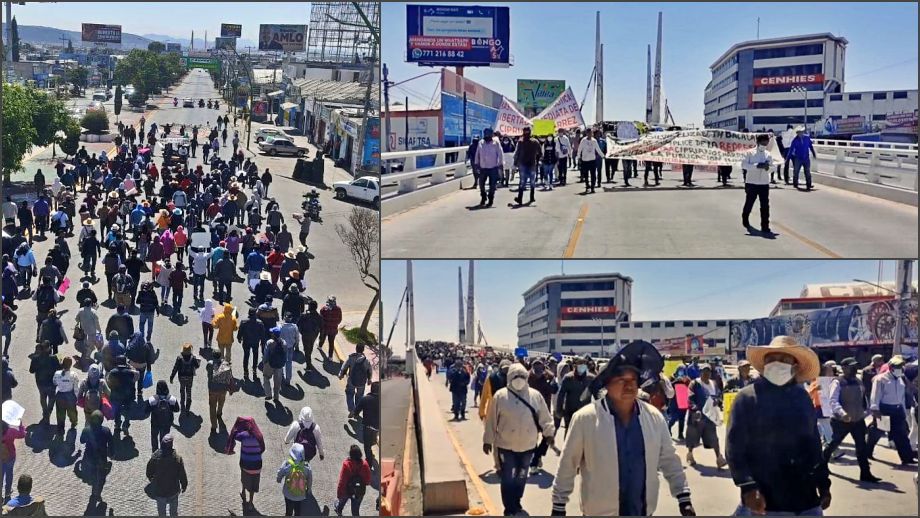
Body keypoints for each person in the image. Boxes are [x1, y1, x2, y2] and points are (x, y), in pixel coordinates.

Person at [551, 341, 695, 517]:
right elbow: (568, 463)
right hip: (600, 513)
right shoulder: (585, 419)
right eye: (621, 380)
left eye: (633, 380)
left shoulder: (653, 417)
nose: (629, 385)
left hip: (642, 511)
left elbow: (669, 458)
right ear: (607, 384)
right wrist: (558, 504)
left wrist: (683, 497)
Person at [726, 336, 831, 516]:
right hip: (765, 502)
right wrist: (748, 486)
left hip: (806, 499)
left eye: (783, 359)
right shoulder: (747, 397)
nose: (776, 363)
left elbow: (813, 444)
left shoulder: (802, 398)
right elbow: (734, 447)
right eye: (771, 359)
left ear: (795, 366)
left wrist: (823, 483)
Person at [483, 363, 555, 516]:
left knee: (522, 476)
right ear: (509, 377)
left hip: (528, 446)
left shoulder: (535, 396)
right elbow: (491, 420)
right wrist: (487, 440)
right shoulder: (500, 396)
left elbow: (545, 417)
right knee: (508, 477)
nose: (519, 379)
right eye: (515, 376)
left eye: (522, 376)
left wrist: (549, 434)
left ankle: (517, 501)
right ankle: (509, 507)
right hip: (506, 446)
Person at [822, 357, 881, 482]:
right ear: (843, 368)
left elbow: (863, 399)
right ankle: (821, 466)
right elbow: (833, 401)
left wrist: (867, 412)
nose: (854, 369)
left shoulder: (858, 381)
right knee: (833, 444)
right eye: (851, 367)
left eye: (855, 366)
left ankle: (865, 474)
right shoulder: (837, 382)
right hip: (841, 421)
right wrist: (842, 414)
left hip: (858, 420)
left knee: (861, 447)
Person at [869, 355, 917, 465]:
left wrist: (903, 411)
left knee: (902, 435)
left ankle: (907, 458)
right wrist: (875, 409)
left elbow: (902, 397)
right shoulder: (881, 379)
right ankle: (868, 451)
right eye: (898, 366)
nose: (900, 368)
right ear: (891, 367)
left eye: (901, 366)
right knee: (878, 432)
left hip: (898, 409)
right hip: (885, 409)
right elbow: (875, 395)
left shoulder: (901, 379)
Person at [685, 364, 727, 469]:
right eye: (704, 371)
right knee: (693, 438)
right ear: (700, 372)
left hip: (710, 416)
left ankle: (719, 458)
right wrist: (695, 409)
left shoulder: (714, 384)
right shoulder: (695, 383)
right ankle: (690, 454)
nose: (707, 373)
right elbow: (689, 398)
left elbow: (719, 395)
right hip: (697, 416)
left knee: (713, 438)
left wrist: (718, 401)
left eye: (708, 371)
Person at [226, 416, 266, 512]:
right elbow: (263, 448)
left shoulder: (243, 435)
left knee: (244, 478)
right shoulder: (259, 436)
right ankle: (251, 502)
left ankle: (243, 492)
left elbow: (234, 434)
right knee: (253, 484)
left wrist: (237, 426)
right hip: (257, 466)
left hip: (245, 464)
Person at [146, 434, 188, 516]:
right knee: (173, 513)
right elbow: (182, 474)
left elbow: (149, 472)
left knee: (161, 513)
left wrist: (153, 480)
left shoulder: (155, 457)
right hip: (173, 490)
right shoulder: (177, 459)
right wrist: (184, 485)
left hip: (160, 491)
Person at [741, 133, 775, 234]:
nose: (764, 144)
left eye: (766, 143)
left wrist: (767, 167)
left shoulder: (768, 154)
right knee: (749, 203)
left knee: (765, 205)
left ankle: (765, 225)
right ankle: (745, 217)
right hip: (751, 183)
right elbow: (744, 165)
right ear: (758, 142)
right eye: (763, 142)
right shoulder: (749, 153)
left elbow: (773, 167)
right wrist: (756, 166)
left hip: (764, 183)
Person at [79, 410, 113, 505]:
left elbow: (82, 441)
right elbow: (111, 444)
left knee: (92, 474)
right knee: (101, 477)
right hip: (101, 458)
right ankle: (97, 492)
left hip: (89, 457)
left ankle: (93, 487)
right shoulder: (106, 430)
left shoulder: (87, 430)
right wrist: (112, 454)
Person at [556, 356, 595, 436]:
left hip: (586, 412)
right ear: (575, 366)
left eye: (584, 364)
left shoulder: (591, 378)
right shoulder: (568, 378)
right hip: (571, 412)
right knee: (569, 435)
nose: (582, 366)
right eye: (580, 364)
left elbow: (597, 394)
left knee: (585, 435)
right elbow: (561, 395)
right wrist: (559, 410)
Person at [333, 445, 371, 517]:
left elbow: (342, 481)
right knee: (355, 511)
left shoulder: (347, 464)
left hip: (346, 490)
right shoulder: (365, 464)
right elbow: (368, 481)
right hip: (359, 492)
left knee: (341, 503)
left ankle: (339, 511)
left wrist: (339, 494)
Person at [276, 443, 312, 516]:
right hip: (300, 494)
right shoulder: (306, 466)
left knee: (288, 511)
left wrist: (279, 479)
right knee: (298, 510)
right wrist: (308, 490)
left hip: (288, 492)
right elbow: (310, 480)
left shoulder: (287, 464)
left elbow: (280, 473)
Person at [28, 341, 60, 423]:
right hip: (51, 383)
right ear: (48, 348)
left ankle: (45, 412)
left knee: (43, 397)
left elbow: (31, 371)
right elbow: (59, 369)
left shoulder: (35, 358)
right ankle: (48, 412)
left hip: (40, 382)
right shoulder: (53, 358)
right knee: (52, 398)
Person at [106, 356, 138, 436]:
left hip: (116, 395)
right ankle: (126, 425)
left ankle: (117, 425)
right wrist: (130, 367)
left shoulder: (113, 372)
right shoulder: (131, 372)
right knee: (128, 411)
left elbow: (108, 382)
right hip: (128, 395)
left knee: (117, 410)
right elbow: (137, 377)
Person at [206, 350, 236, 434]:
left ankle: (214, 426)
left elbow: (208, 372)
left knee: (212, 407)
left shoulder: (210, 363)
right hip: (223, 389)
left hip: (212, 389)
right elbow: (230, 377)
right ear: (220, 356)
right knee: (221, 402)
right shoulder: (226, 364)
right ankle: (219, 412)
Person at [145, 380, 180, 454]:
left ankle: (154, 453)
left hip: (155, 423)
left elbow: (146, 411)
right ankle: (163, 453)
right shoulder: (172, 399)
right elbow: (177, 409)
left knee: (154, 438)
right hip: (167, 423)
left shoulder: (152, 399)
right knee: (164, 438)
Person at [351, 382, 380, 466]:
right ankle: (371, 452)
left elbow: (356, 411)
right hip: (378, 427)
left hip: (368, 426)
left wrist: (354, 415)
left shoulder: (365, 399)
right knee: (372, 440)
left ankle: (369, 462)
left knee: (367, 446)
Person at [339, 343, 373, 414]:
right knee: (360, 396)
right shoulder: (366, 360)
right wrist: (369, 379)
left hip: (351, 381)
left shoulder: (351, 358)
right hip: (362, 383)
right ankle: (357, 410)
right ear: (363, 350)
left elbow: (344, 366)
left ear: (356, 349)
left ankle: (351, 409)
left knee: (349, 393)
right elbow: (369, 371)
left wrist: (341, 375)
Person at [474, 128, 504, 207]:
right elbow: (477, 154)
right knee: (481, 184)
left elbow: (500, 154)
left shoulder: (496, 143)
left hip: (493, 167)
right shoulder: (480, 142)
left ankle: (491, 199)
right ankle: (483, 197)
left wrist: (500, 164)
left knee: (492, 185)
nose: (487, 135)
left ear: (491, 134)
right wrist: (476, 164)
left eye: (488, 134)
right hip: (483, 167)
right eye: (485, 133)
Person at [512, 127, 542, 205]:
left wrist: (515, 164)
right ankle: (530, 198)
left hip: (525, 164)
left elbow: (517, 153)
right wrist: (538, 159)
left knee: (523, 182)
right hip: (529, 164)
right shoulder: (534, 141)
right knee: (531, 182)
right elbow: (540, 152)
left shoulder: (522, 141)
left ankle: (521, 198)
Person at [169, 344, 201, 417]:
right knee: (189, 390)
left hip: (181, 377)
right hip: (190, 377)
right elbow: (197, 366)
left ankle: (182, 402)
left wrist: (171, 377)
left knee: (182, 389)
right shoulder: (193, 358)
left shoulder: (179, 358)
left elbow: (175, 368)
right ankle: (187, 407)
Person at [52, 356, 79, 435]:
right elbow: (76, 388)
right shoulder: (74, 375)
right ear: (70, 365)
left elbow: (54, 383)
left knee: (60, 413)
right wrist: (76, 398)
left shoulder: (57, 373)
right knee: (72, 412)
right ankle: (73, 422)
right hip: (70, 396)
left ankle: (61, 429)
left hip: (60, 396)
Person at [1, 420, 26, 503]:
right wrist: (20, 425)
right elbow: (22, 434)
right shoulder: (11, 431)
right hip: (10, 457)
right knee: (9, 475)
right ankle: (7, 494)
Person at [788, 126, 816, 191]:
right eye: (798, 132)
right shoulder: (795, 140)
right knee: (796, 171)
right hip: (798, 158)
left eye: (801, 132)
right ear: (797, 133)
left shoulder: (807, 138)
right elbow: (791, 149)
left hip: (806, 157)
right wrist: (788, 158)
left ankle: (808, 184)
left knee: (807, 172)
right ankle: (795, 183)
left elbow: (810, 146)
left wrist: (814, 153)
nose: (800, 134)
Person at [263, 328, 286, 403]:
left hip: (270, 364)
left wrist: (264, 362)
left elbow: (266, 354)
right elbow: (286, 354)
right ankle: (276, 396)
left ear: (273, 335)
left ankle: (268, 394)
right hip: (279, 365)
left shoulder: (269, 342)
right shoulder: (284, 343)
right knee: (277, 382)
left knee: (266, 378)